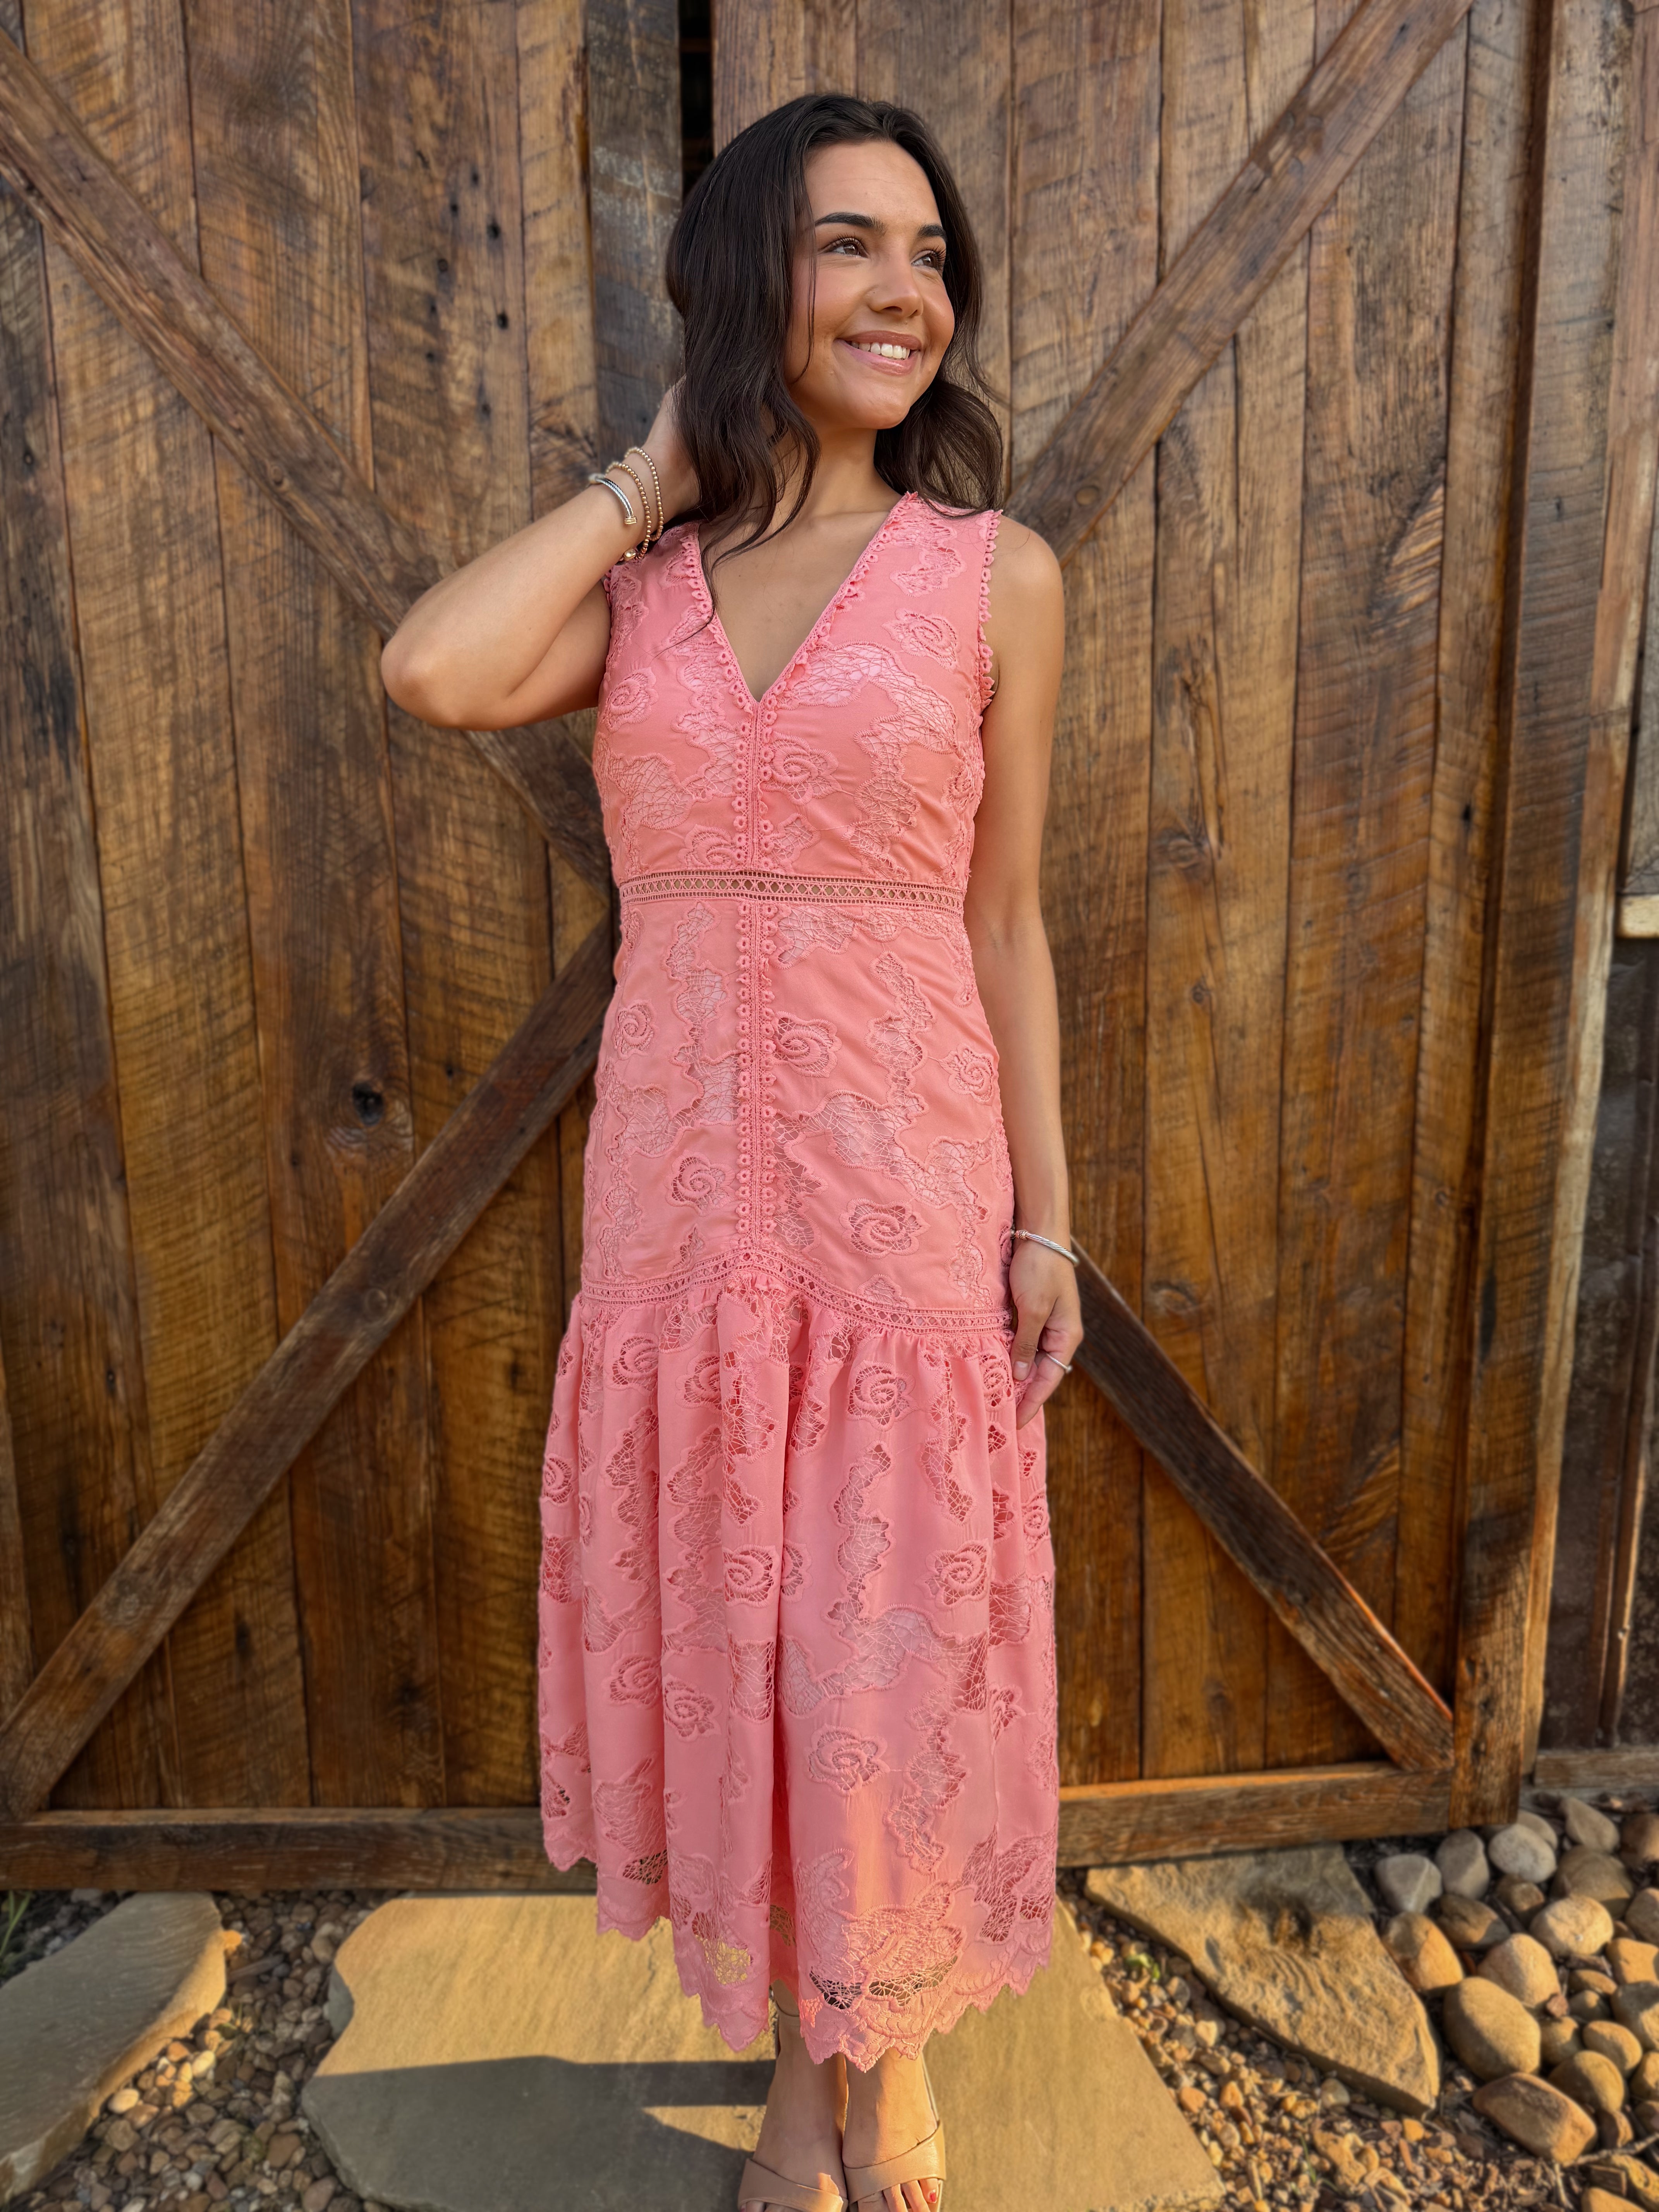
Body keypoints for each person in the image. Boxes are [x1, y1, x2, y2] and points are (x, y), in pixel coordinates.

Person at [380, 89, 1080, 2212]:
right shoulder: (650, 594)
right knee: (758, 1649)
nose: (906, 291)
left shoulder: (990, 574)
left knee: (882, 1646)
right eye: (851, 243)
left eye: (931, 254)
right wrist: (652, 475)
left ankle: (896, 2049)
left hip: (902, 1177)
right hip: (689, 1196)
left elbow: (1008, 915)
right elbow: (432, 666)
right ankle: (804, 2070)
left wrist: (1051, 1212)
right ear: (748, 273)